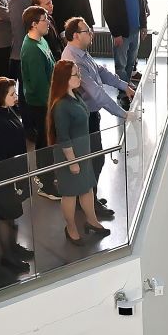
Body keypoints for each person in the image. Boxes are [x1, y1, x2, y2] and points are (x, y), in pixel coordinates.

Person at [60, 16, 135, 217]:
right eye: (87, 31)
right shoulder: (74, 59)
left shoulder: (82, 53)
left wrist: (123, 85)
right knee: (92, 160)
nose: (91, 33)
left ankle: (89, 197)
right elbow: (97, 94)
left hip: (90, 115)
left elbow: (100, 72)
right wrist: (123, 114)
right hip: (83, 119)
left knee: (95, 159)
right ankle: (88, 202)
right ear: (76, 35)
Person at [47, 61, 105, 243]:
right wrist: (72, 162)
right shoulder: (61, 106)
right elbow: (63, 137)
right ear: (65, 78)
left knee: (87, 188)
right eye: (75, 74)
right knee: (70, 194)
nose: (79, 77)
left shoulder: (75, 95)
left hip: (83, 151)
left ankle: (92, 220)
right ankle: (71, 228)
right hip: (70, 156)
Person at [0, 76, 34, 269]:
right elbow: (3, 155)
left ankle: (13, 247)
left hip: (12, 173)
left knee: (12, 214)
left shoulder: (5, 111)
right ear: (1, 96)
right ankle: (8, 255)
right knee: (5, 216)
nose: (16, 96)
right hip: (4, 177)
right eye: (12, 94)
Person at [18, 5, 56, 150]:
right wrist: (53, 102)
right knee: (45, 140)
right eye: (44, 20)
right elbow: (39, 85)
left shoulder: (41, 40)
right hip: (41, 104)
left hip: (48, 99)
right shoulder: (32, 50)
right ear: (34, 24)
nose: (48, 22)